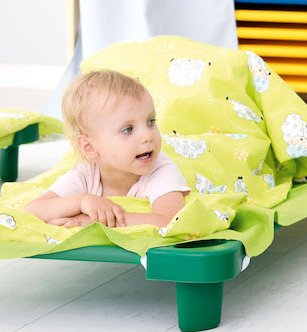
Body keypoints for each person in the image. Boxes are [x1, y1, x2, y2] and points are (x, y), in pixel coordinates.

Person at [23, 70, 189, 229]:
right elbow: (30, 211)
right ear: (90, 147)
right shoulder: (87, 174)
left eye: (150, 121)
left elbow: (170, 221)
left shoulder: (160, 170)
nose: (148, 136)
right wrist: (82, 201)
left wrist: (92, 221)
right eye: (128, 129)